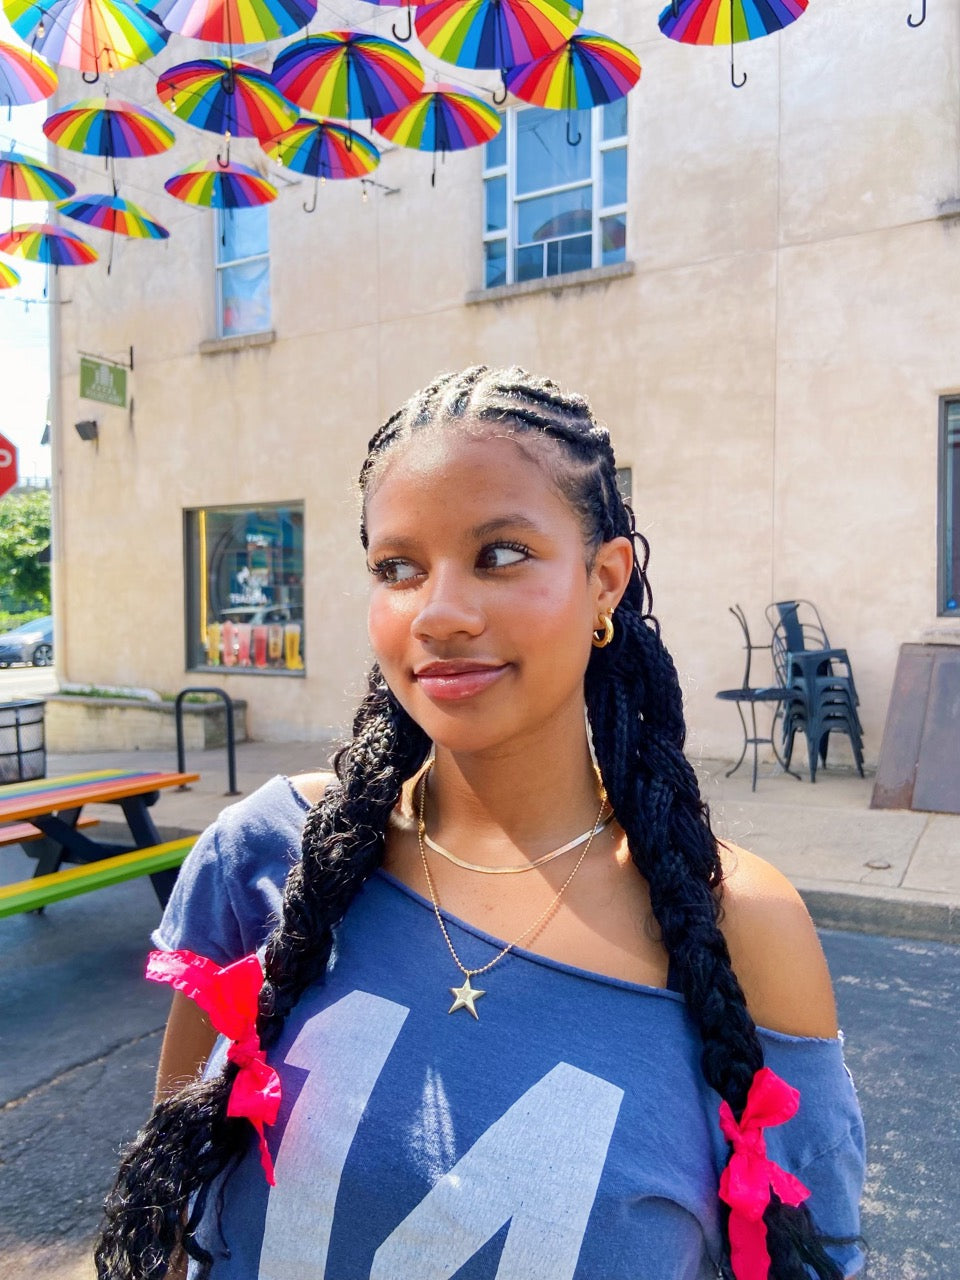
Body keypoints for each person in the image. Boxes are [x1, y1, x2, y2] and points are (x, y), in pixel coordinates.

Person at [96, 366, 865, 1280]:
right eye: (398, 568)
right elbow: (172, 1206)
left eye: (501, 554)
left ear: (607, 581)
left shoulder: (741, 922)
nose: (441, 613)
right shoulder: (264, 853)